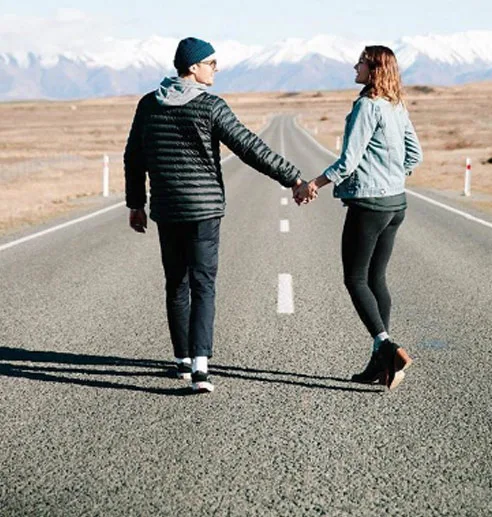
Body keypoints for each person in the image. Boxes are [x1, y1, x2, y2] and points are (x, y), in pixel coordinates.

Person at [124, 37, 307, 394]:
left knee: (176, 282)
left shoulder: (149, 104)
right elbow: (249, 147)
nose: (216, 69)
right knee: (203, 284)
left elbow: (134, 157)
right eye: (211, 63)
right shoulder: (210, 106)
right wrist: (294, 179)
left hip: (167, 207)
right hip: (204, 209)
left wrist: (136, 204)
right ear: (192, 67)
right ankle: (201, 369)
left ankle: (182, 360)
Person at [295, 45, 423, 390]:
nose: (355, 66)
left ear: (374, 69)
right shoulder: (395, 104)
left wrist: (313, 185)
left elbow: (348, 162)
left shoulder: (367, 106)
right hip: (396, 203)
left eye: (361, 62)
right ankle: (378, 364)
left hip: (370, 205)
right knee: (376, 278)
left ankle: (386, 346)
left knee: (354, 279)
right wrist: (393, 175)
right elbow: (416, 154)